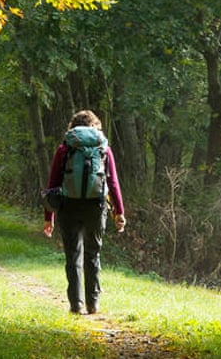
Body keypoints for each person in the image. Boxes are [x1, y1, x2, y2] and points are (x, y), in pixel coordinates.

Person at [42, 109, 126, 315]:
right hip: (96, 206)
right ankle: (93, 303)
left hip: (68, 205)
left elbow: (53, 184)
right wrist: (119, 212)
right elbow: (113, 183)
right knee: (92, 254)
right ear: (95, 127)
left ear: (74, 128)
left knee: (73, 255)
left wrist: (48, 217)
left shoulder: (65, 149)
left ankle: (76, 304)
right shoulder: (103, 149)